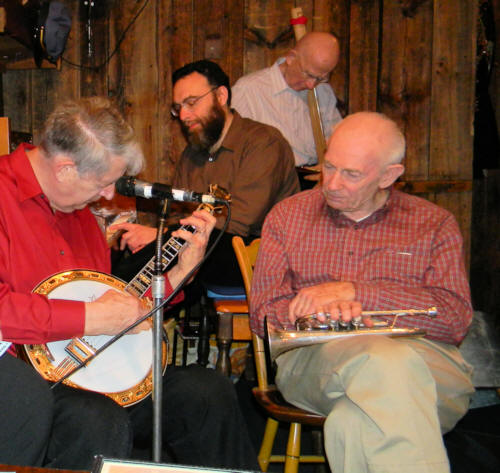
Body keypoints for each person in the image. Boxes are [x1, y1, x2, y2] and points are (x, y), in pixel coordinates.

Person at [0, 97, 258, 471]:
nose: (108, 195)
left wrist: (176, 276)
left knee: (205, 392)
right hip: (29, 384)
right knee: (97, 420)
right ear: (66, 168)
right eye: (104, 183)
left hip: (97, 370)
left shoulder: (80, 213)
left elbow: (115, 307)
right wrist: (88, 317)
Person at [250, 111, 475, 473]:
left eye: (352, 174)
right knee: (387, 363)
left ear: (390, 175)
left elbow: (454, 319)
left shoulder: (434, 223)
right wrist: (305, 310)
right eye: (328, 166)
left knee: (352, 422)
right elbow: (263, 315)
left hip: (428, 358)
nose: (332, 183)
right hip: (318, 358)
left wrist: (357, 293)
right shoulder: (287, 216)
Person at [112, 59, 300, 288]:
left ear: (221, 96)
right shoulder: (192, 154)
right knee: (130, 248)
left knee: (183, 249)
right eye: (178, 107)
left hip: (259, 259)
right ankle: (119, 296)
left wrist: (160, 236)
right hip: (205, 252)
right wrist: (161, 237)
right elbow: (176, 215)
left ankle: (120, 297)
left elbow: (237, 222)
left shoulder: (264, 142)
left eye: (191, 103)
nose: (183, 116)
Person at [232, 31, 342, 171]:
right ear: (290, 57)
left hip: (314, 179)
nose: (311, 85)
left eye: (321, 78)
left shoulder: (323, 92)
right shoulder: (248, 91)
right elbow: (233, 153)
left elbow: (338, 142)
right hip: (270, 181)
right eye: (308, 74)